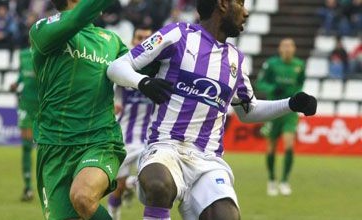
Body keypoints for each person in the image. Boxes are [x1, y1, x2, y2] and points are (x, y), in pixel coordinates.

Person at [107, 0, 317, 219]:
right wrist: (143, 82)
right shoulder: (178, 34)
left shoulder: (235, 59)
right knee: (159, 185)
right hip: (165, 147)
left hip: (207, 161)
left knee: (227, 216)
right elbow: (117, 67)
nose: (245, 12)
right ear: (223, 4)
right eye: (240, 3)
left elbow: (249, 110)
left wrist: (291, 104)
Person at [29, 0, 128, 219]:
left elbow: (140, 66)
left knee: (83, 196)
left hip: (100, 141)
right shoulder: (42, 29)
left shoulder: (111, 40)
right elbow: (75, 18)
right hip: (54, 147)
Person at [107, 25, 154, 220]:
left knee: (153, 181)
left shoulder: (160, 68)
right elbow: (111, 93)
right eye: (139, 37)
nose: (142, 41)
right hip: (124, 137)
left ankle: (131, 184)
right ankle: (119, 201)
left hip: (149, 138)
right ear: (133, 41)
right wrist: (114, 104)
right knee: (117, 187)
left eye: (146, 38)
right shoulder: (122, 68)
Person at [256, 38, 306, 196]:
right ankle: (271, 180)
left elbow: (300, 84)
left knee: (289, 145)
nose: (287, 48)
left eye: (290, 45)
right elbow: (259, 83)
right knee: (271, 147)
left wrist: (296, 97)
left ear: (294, 49)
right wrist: (272, 88)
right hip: (273, 109)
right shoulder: (271, 64)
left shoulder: (299, 65)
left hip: (290, 111)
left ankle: (284, 181)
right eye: (284, 46)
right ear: (279, 49)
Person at [10, 46, 39, 202]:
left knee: (47, 149)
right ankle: (28, 187)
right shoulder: (23, 54)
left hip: (44, 107)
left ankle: (47, 187)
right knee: (27, 145)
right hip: (27, 106)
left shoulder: (48, 52)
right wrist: (16, 83)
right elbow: (22, 74)